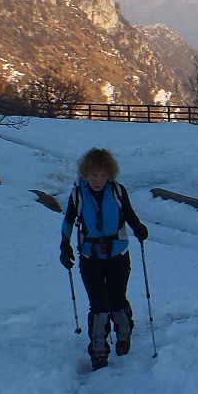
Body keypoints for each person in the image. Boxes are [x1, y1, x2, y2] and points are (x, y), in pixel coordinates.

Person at [60, 147, 149, 371]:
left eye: (102, 174)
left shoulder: (118, 191)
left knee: (117, 299)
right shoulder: (78, 194)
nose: (97, 180)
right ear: (85, 174)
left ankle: (124, 332)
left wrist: (138, 228)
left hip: (118, 254)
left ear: (109, 174)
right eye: (93, 174)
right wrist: (64, 245)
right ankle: (99, 351)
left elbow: (129, 214)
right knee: (99, 305)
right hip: (90, 257)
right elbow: (69, 220)